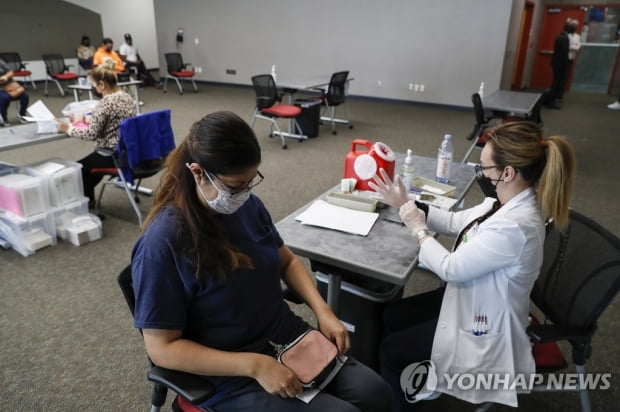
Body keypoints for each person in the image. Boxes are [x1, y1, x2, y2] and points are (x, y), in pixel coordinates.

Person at [130, 111, 393, 412]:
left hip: (282, 337)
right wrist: (254, 366)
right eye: (234, 186)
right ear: (198, 172)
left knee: (377, 394)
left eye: (250, 181)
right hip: (227, 371)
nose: (244, 193)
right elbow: (162, 349)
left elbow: (287, 262)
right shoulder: (163, 243)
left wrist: (324, 311)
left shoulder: (247, 206)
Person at [369, 121, 576, 410]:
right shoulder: (503, 201)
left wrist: (416, 227)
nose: (480, 173)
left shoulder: (516, 226)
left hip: (485, 324)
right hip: (473, 296)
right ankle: (418, 383)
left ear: (508, 172)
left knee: (391, 351)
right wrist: (407, 201)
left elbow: (449, 268)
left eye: (484, 168)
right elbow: (455, 222)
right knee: (392, 315)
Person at [56, 62, 136, 207]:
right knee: (90, 164)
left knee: (80, 168)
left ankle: (89, 202)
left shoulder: (105, 103)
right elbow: (114, 118)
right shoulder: (126, 97)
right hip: (128, 149)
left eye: (92, 85)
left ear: (101, 85)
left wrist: (67, 128)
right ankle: (89, 197)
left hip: (111, 153)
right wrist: (84, 119)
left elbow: (91, 134)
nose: (92, 89)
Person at [546, 19, 578, 109]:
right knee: (556, 83)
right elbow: (564, 54)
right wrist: (566, 66)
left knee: (556, 83)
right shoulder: (564, 38)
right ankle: (551, 103)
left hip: (556, 63)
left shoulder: (560, 36)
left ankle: (550, 101)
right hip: (560, 65)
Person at [0, 58, 29, 126]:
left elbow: (11, 72)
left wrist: (6, 76)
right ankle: (3, 117)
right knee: (5, 98)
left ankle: (22, 114)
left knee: (25, 95)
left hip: (10, 85)